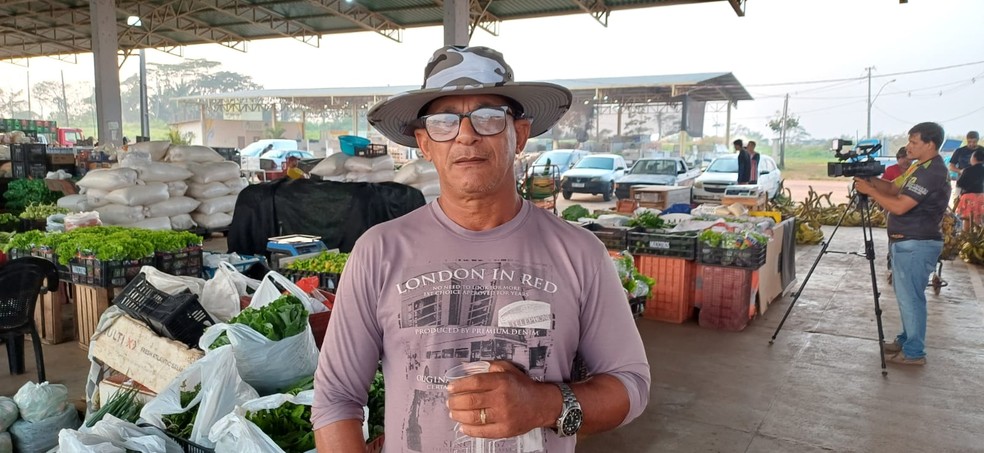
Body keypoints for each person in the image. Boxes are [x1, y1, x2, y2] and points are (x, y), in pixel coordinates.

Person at [311, 46, 651, 452]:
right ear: (425, 143)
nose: (466, 134)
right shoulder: (378, 252)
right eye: (443, 122)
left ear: (519, 135)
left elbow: (630, 386)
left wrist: (544, 404)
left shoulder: (580, 254)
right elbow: (336, 400)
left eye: (489, 118)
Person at [853, 122, 951, 366]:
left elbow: (899, 205)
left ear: (930, 144)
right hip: (906, 242)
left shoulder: (932, 172)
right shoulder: (919, 167)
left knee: (912, 298)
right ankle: (907, 340)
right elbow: (894, 188)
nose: (908, 147)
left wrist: (870, 191)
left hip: (917, 244)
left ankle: (914, 352)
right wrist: (871, 180)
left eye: (914, 142)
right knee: (906, 296)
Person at [955, 148, 984, 231]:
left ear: (974, 158)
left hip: (968, 197)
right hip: (981, 197)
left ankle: (966, 239)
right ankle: (979, 239)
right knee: (980, 219)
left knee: (967, 219)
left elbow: (960, 183)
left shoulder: (967, 170)